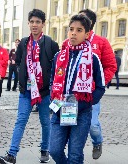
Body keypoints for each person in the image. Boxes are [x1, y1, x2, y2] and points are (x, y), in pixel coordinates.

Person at [0, 9, 59, 164]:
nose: (34, 25)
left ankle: (45, 150)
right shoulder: (24, 43)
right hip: (26, 91)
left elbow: (58, 66)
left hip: (44, 92)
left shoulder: (50, 43)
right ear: (28, 23)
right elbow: (18, 62)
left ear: (43, 24)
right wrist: (23, 76)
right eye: (32, 22)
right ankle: (12, 154)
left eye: (38, 22)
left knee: (45, 121)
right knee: (21, 120)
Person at [49, 14, 105, 164]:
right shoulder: (58, 56)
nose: (74, 33)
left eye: (79, 30)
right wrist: (54, 102)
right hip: (60, 109)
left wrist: (86, 104)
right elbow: (52, 81)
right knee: (54, 150)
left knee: (75, 154)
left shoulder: (92, 58)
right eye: (71, 29)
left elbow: (101, 86)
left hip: (81, 113)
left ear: (87, 34)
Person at [78, 9, 117, 160]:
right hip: (73, 94)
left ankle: (97, 142)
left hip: (92, 93)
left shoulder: (101, 42)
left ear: (91, 23)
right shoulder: (71, 40)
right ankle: (75, 156)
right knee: (73, 127)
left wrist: (100, 84)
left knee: (93, 125)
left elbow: (111, 66)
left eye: (83, 19)